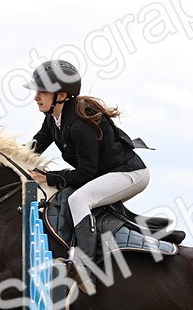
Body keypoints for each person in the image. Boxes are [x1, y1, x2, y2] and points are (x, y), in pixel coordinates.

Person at [23, 60, 150, 266]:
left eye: (42, 92)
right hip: (104, 174)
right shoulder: (52, 118)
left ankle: (84, 264)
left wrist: (50, 177)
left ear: (62, 96)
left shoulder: (80, 126)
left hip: (130, 175)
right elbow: (31, 150)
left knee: (78, 200)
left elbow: (86, 174)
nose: (36, 97)